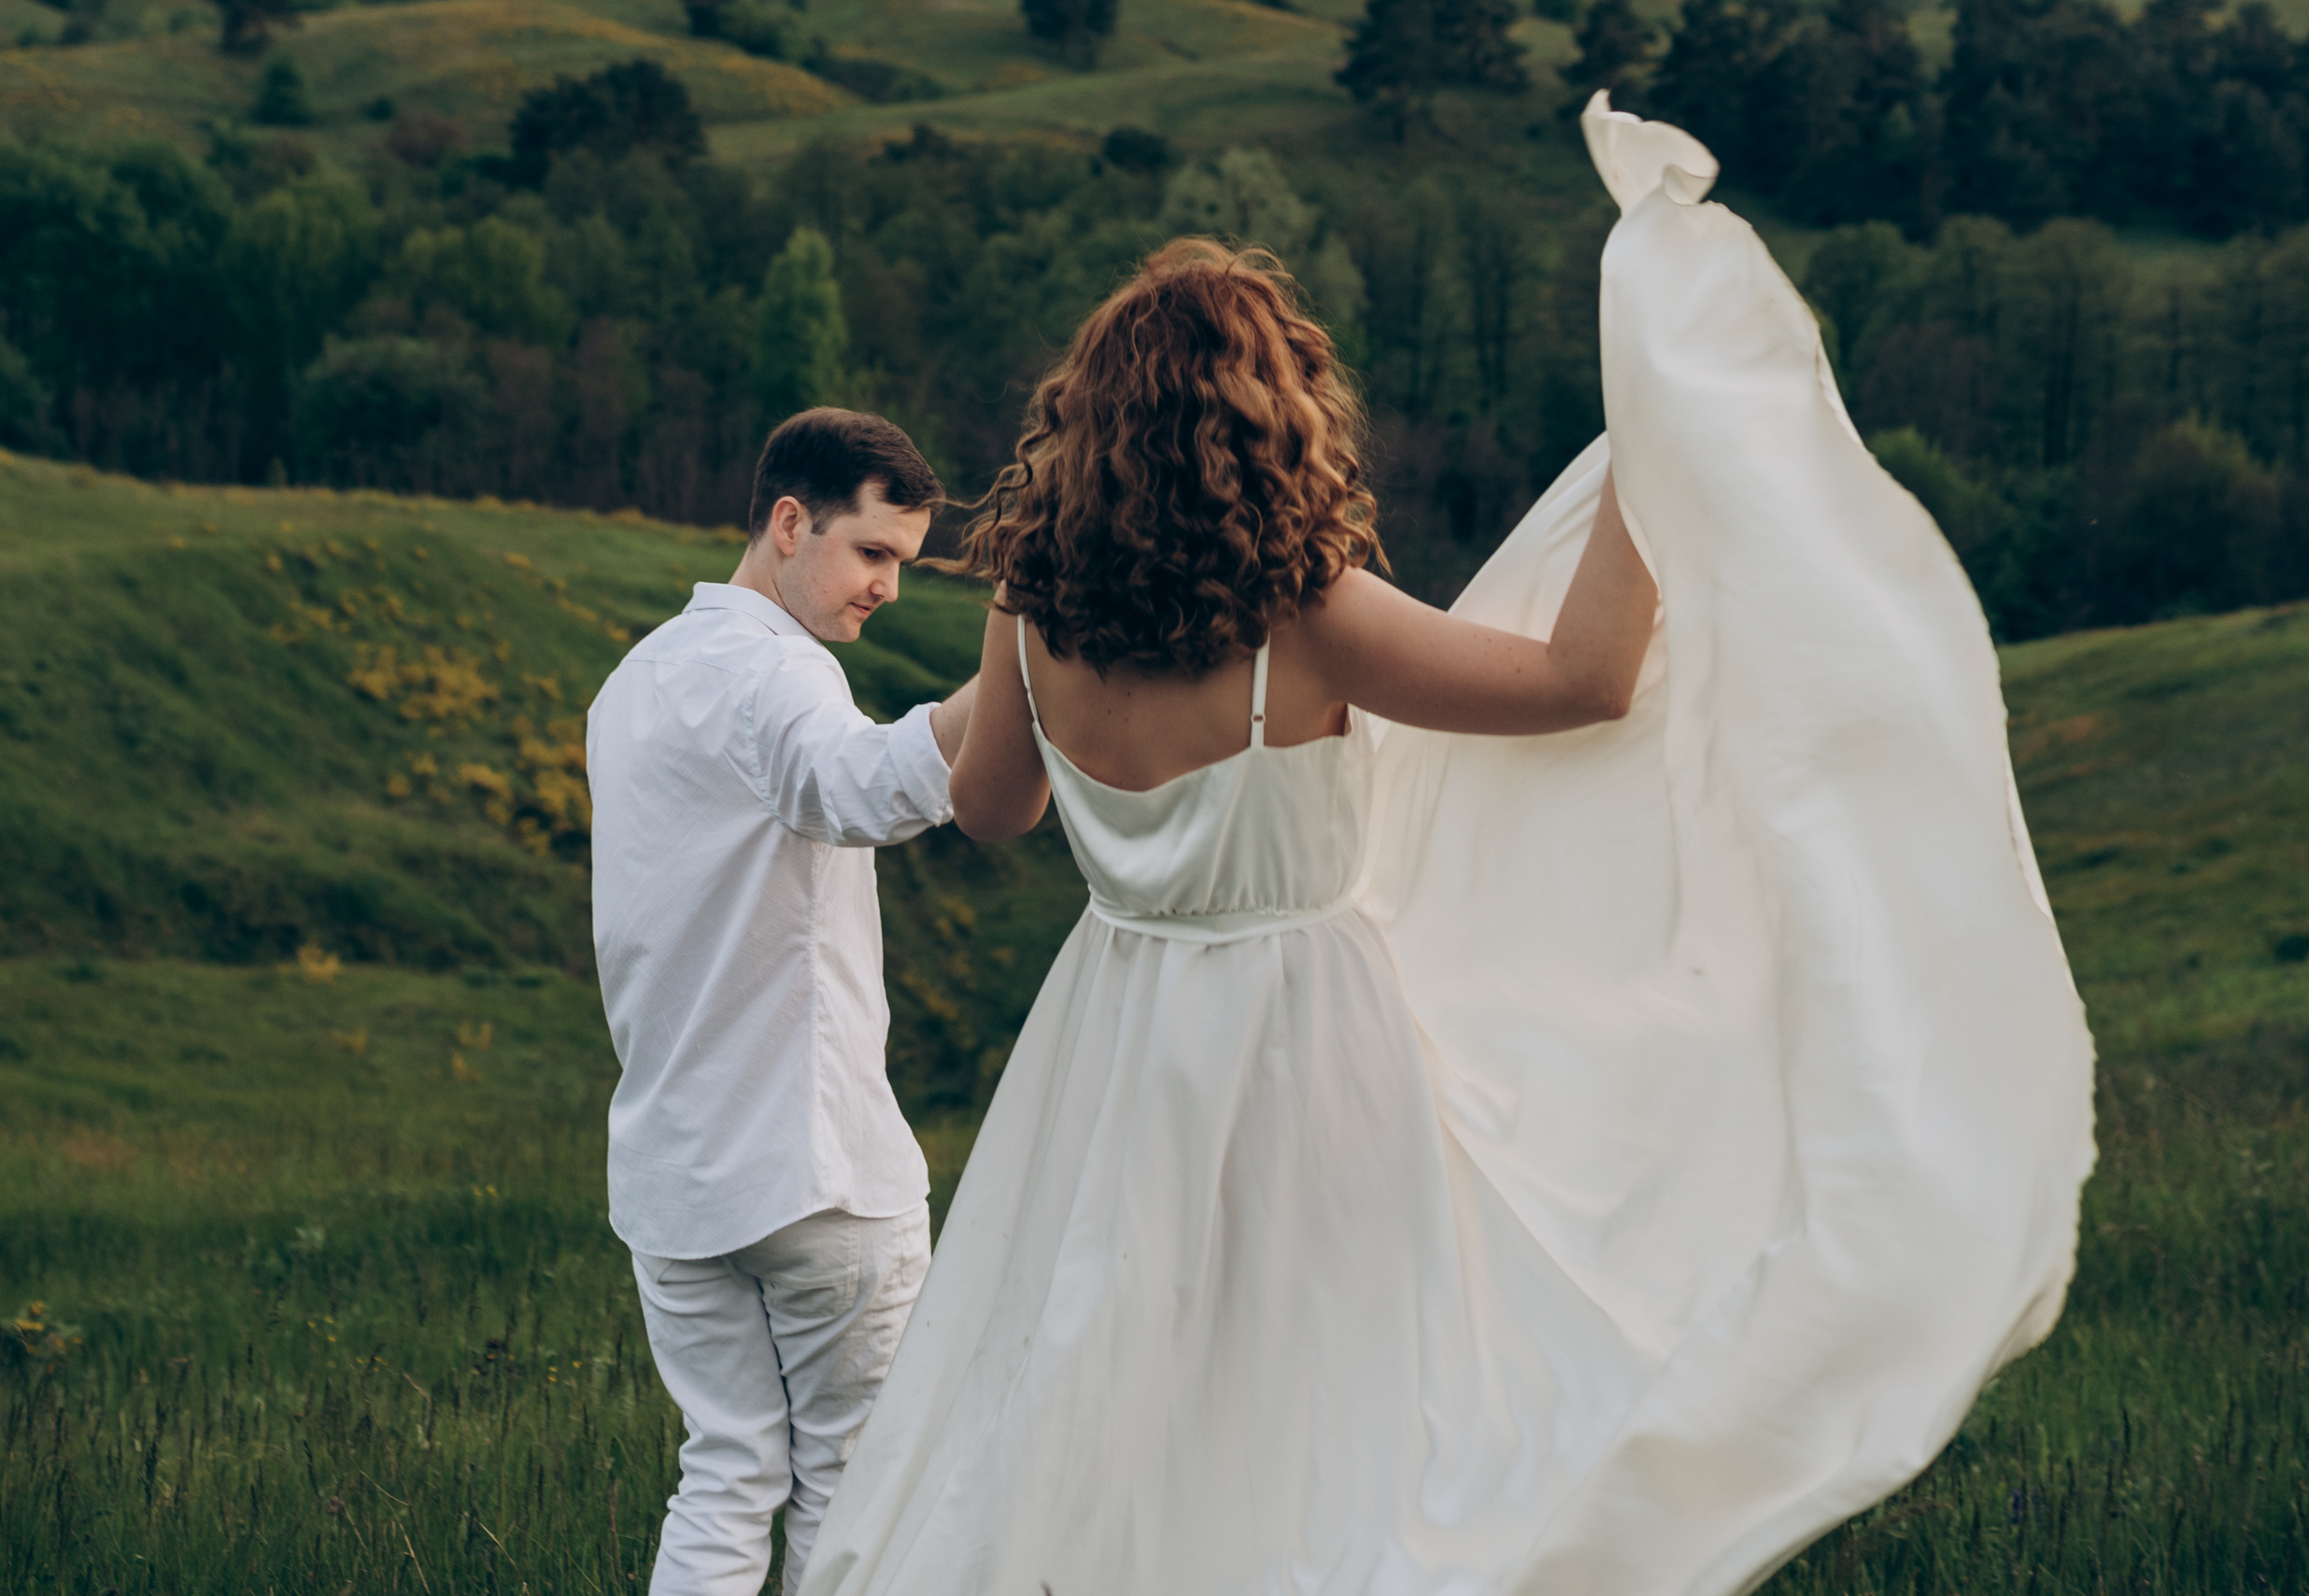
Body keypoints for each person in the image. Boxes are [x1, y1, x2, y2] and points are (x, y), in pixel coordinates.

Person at [800, 99, 2093, 1596]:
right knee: (1333, 1397)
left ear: (1091, 420)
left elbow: (989, 810)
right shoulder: (1309, 611)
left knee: (1106, 1366)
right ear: (1270, 417)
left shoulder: (1030, 607)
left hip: (1110, 1028)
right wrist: (1657, 456)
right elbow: (1584, 681)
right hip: (1306, 1038)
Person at [588, 408, 978, 1596]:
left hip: (678, 1175)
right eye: (872, 553)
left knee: (724, 1474)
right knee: (850, 1490)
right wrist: (1014, 670)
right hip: (817, 1171)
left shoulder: (635, 678)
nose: (889, 590)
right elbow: (859, 784)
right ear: (789, 521)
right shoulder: (779, 673)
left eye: (903, 563)